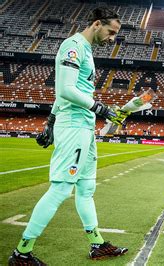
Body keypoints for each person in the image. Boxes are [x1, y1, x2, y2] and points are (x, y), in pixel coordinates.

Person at [8, 7, 128, 266]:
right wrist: (100, 108)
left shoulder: (86, 51)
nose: (112, 39)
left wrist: (50, 122)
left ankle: (97, 244)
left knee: (86, 189)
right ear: (97, 24)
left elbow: (65, 91)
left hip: (83, 126)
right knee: (61, 188)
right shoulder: (73, 46)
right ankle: (22, 252)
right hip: (74, 125)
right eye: (110, 32)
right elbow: (66, 89)